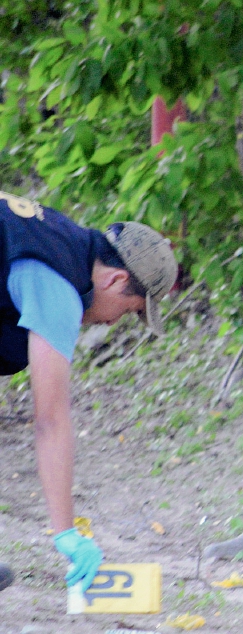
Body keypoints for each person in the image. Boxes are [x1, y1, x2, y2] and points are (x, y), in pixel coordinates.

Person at [0, 190, 177, 595]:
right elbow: (50, 419)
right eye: (131, 310)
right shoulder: (60, 287)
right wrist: (66, 533)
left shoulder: (57, 232)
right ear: (116, 280)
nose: (116, 323)